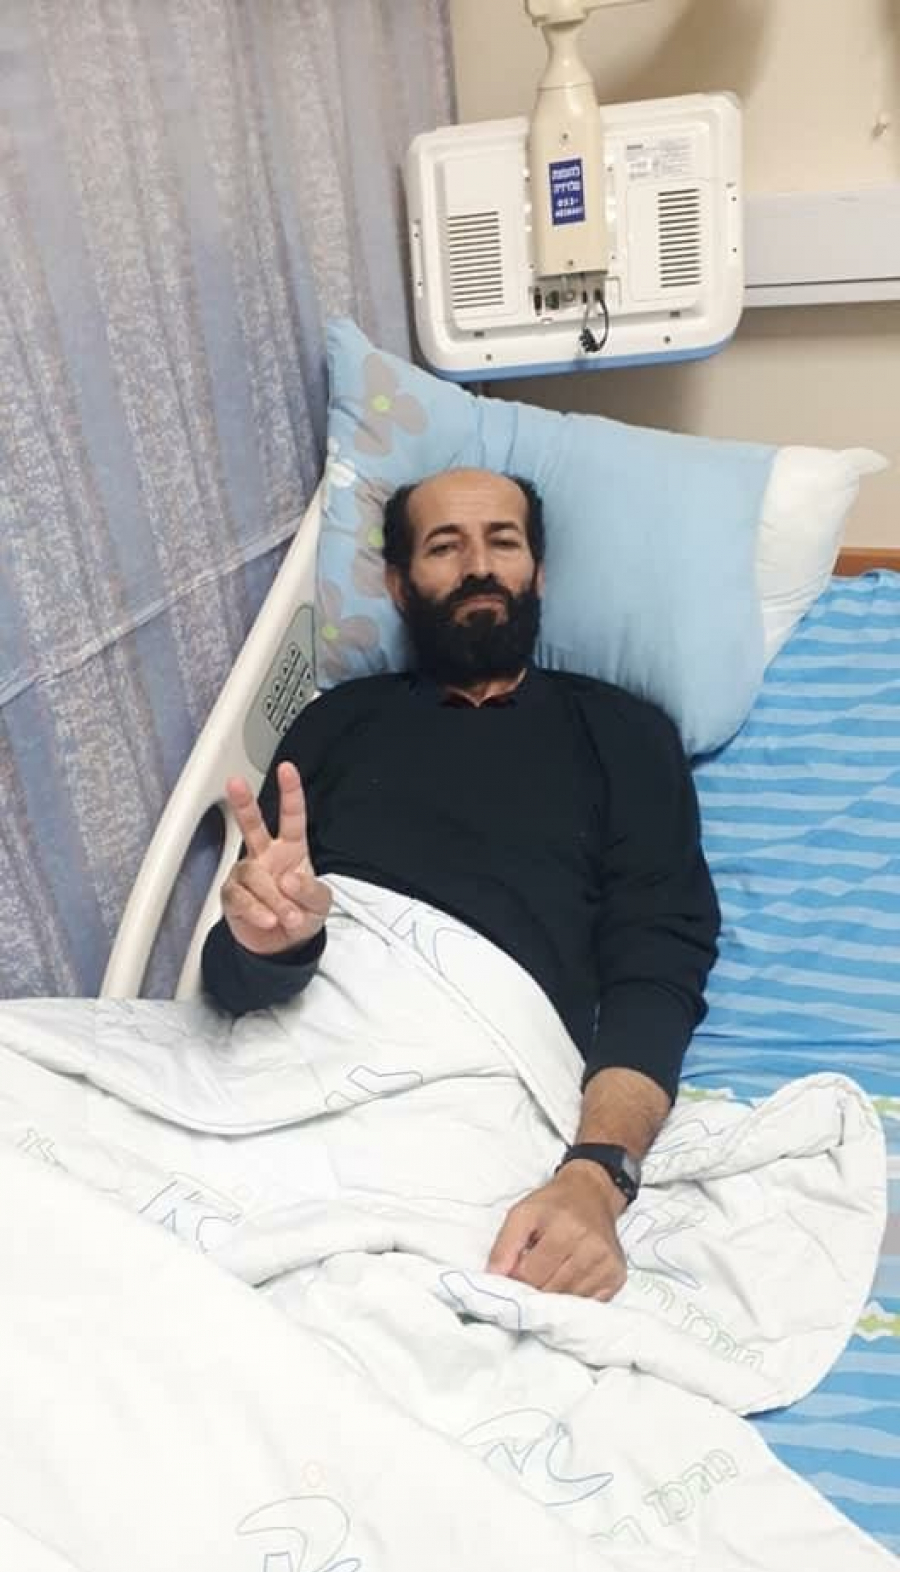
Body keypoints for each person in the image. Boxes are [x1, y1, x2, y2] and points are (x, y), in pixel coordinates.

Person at [202, 468, 720, 1301]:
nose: (479, 565)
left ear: (537, 573)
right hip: (297, 1052)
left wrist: (597, 1172)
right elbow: (237, 975)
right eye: (445, 547)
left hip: (483, 1077)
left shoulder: (624, 732)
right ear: (399, 585)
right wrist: (268, 946)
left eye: (502, 542)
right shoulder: (337, 722)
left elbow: (658, 962)